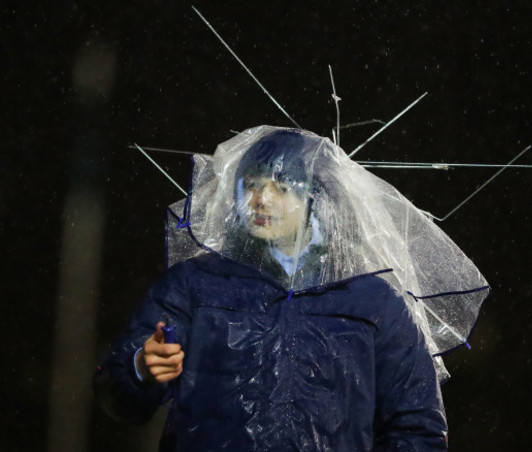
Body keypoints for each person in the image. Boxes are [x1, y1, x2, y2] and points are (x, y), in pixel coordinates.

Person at [95, 127, 487, 451]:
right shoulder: (195, 286)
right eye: (249, 184)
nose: (260, 199)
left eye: (282, 186)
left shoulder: (375, 303)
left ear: (318, 198)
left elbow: (416, 428)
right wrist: (140, 369)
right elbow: (116, 396)